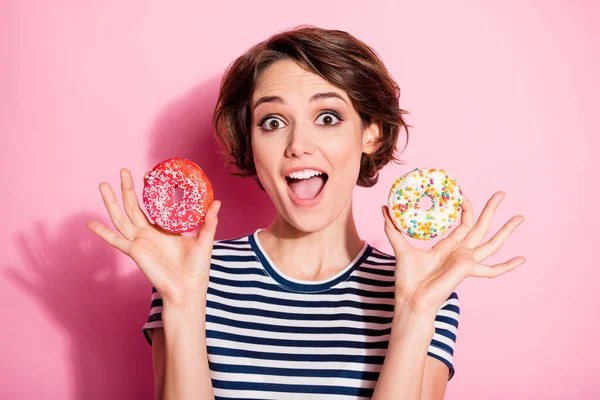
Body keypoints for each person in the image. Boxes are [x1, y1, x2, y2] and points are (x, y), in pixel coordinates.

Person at [87, 25, 526, 400]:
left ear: (370, 133)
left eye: (328, 117)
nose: (297, 144)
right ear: (251, 145)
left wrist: (413, 310)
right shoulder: (190, 274)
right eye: (272, 122)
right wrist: (181, 303)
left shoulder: (425, 289)